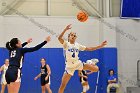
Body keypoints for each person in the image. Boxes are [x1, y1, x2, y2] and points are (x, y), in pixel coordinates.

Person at [58, 24, 107, 93]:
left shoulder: (78, 45)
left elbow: (89, 48)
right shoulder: (66, 44)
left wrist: (100, 46)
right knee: (62, 85)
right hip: (69, 67)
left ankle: (90, 62)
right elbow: (59, 38)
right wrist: (65, 29)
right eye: (72, 35)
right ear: (68, 37)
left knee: (96, 69)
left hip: (78, 63)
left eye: (74, 35)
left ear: (76, 38)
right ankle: (89, 62)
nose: (73, 36)